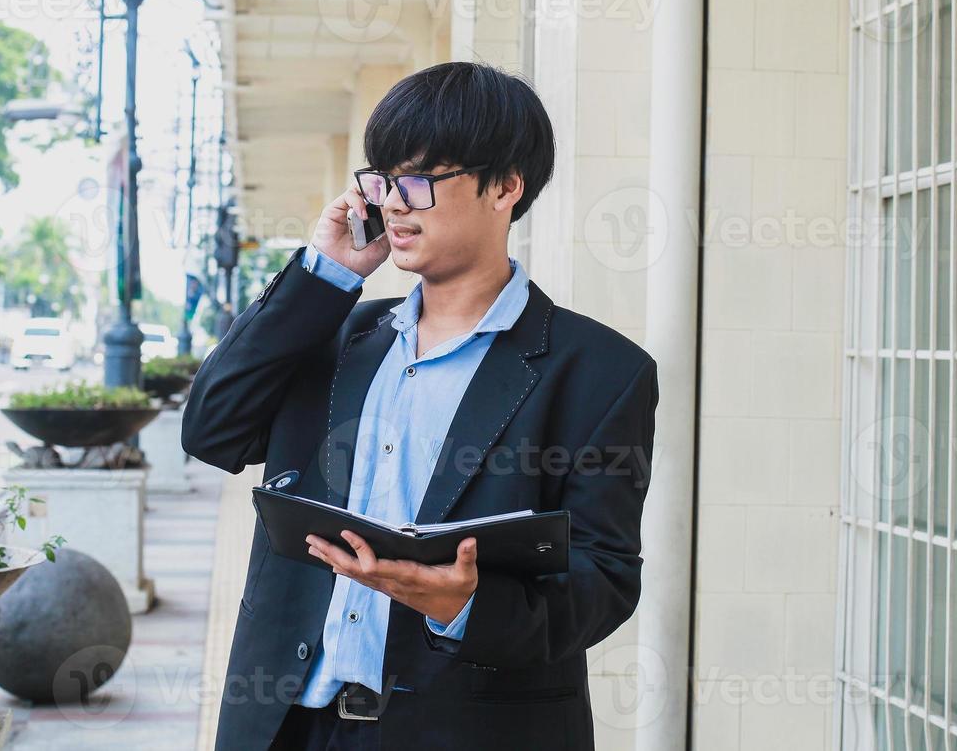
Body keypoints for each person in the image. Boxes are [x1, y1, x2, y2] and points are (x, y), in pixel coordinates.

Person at [182, 62, 660, 750]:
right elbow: (211, 429)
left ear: (504, 187)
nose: (393, 204)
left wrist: (464, 605)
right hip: (289, 726)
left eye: (418, 182)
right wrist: (326, 276)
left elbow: (603, 577)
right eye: (381, 181)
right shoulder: (337, 334)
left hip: (465, 730)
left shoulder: (597, 372)